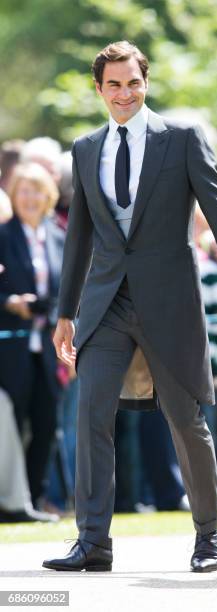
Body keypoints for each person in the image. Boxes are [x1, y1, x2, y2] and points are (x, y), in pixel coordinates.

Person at [42, 40, 217, 574]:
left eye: (133, 83)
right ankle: (93, 543)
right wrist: (65, 312)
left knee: (184, 418)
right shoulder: (84, 148)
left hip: (169, 302)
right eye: (114, 85)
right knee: (92, 415)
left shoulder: (182, 139)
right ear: (98, 89)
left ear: (145, 83)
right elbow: (79, 237)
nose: (124, 93)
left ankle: (207, 537)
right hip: (105, 304)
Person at [0, 162, 65, 508]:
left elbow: (71, 289)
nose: (29, 197)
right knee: (14, 422)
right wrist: (11, 301)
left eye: (36, 190)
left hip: (49, 346)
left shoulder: (58, 236)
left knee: (46, 423)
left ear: (48, 196)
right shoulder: (3, 235)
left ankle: (33, 499)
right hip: (12, 346)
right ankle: (10, 501)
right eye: (23, 190)